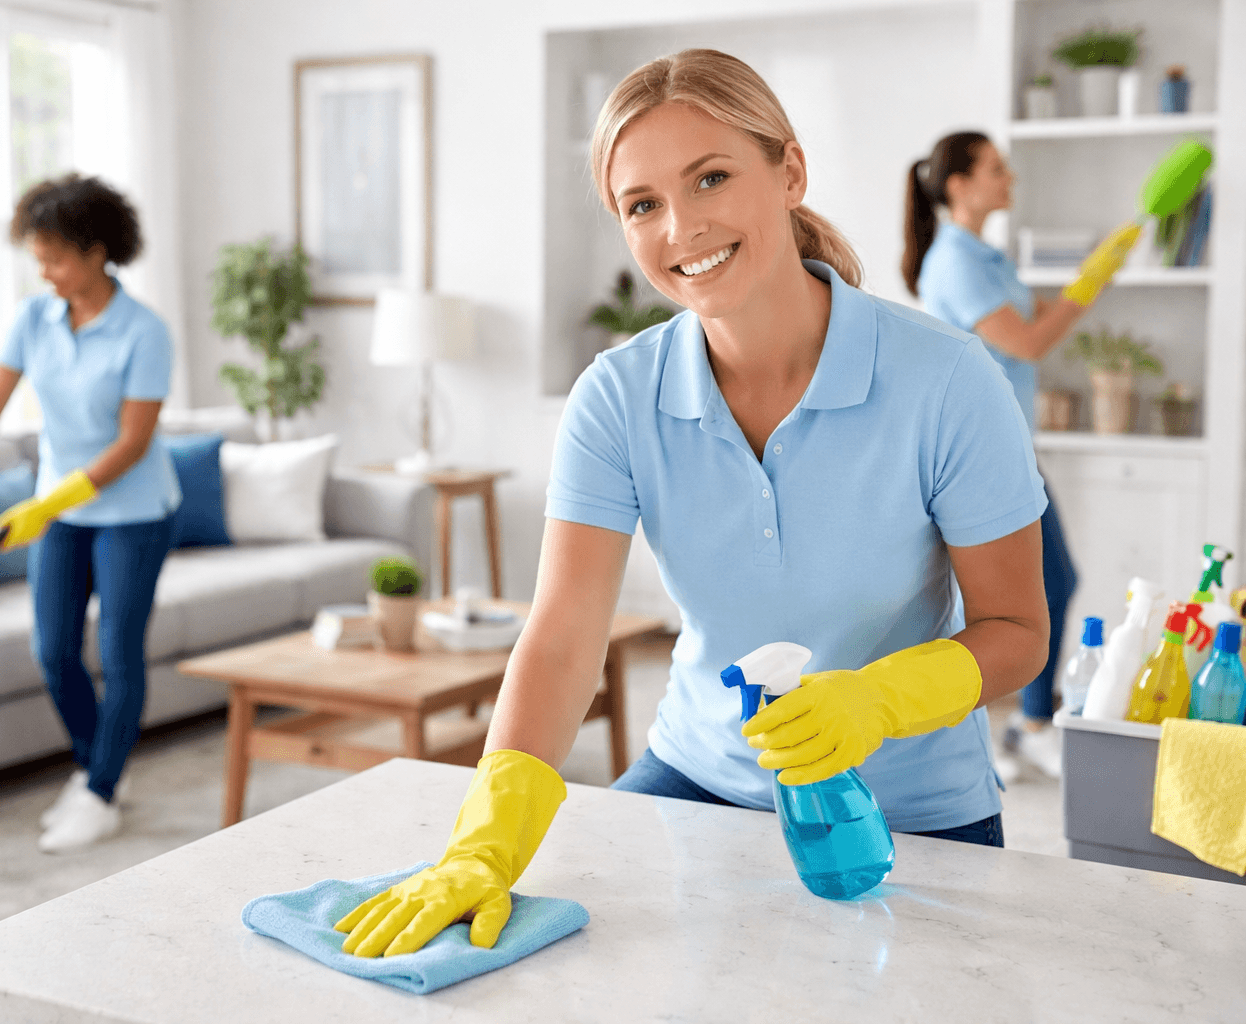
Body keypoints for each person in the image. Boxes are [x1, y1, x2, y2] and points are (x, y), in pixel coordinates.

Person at [331, 48, 1071, 961]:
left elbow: (1016, 628)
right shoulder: (616, 397)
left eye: (711, 177)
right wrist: (483, 841)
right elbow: (563, 635)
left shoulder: (949, 381)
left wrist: (879, 701)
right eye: (642, 204)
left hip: (910, 812)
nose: (681, 226)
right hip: (697, 776)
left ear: (789, 171)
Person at [0, 173, 180, 854]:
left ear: (97, 250)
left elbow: (133, 443)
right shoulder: (34, 318)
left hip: (133, 510)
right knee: (51, 650)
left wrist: (49, 503)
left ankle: (100, 793)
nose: (43, 272)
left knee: (118, 652)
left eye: (54, 257)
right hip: (61, 512)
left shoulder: (145, 332)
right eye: (37, 258)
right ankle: (98, 768)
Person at [904, 132, 1131, 781]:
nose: (1010, 179)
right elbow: (1027, 342)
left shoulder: (984, 255)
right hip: (979, 451)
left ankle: (1025, 723)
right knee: (1038, 587)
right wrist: (1091, 282)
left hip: (1007, 446)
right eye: (996, 170)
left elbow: (1021, 332)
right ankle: (1011, 727)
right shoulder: (956, 260)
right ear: (959, 185)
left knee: (1050, 583)